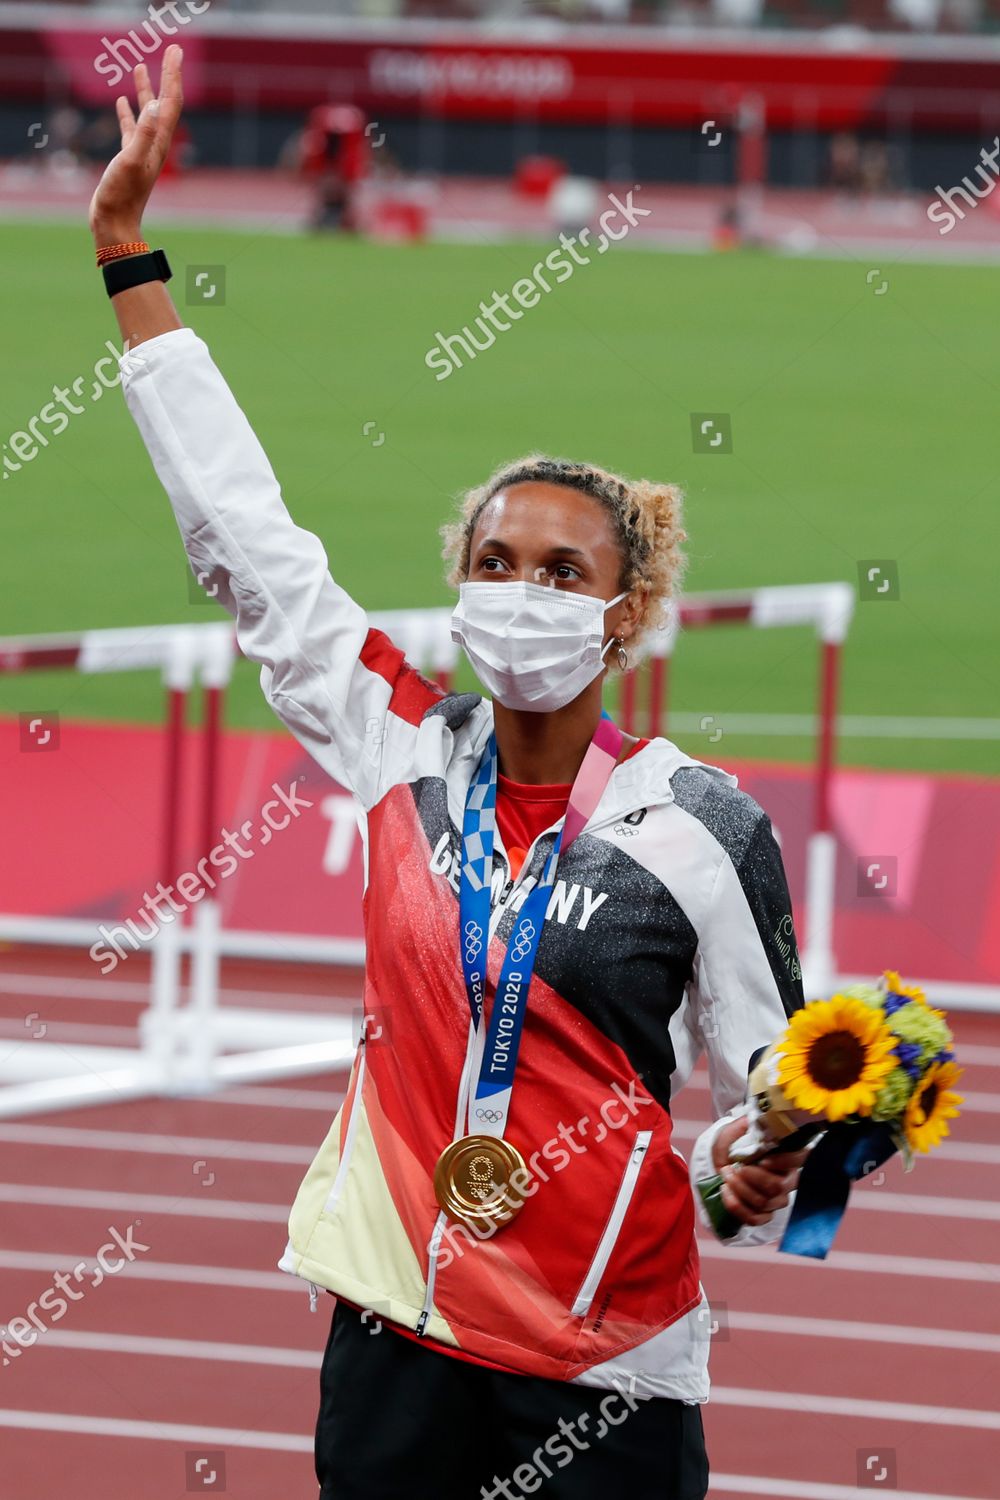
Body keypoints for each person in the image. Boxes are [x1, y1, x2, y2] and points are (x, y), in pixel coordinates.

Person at [89, 45, 809, 1500]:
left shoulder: (698, 826)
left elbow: (770, 1084)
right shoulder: (401, 745)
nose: (519, 589)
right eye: (495, 561)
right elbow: (251, 541)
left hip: (605, 1370)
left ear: (622, 618)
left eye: (560, 570)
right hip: (395, 1341)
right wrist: (129, 264)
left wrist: (763, 1159)